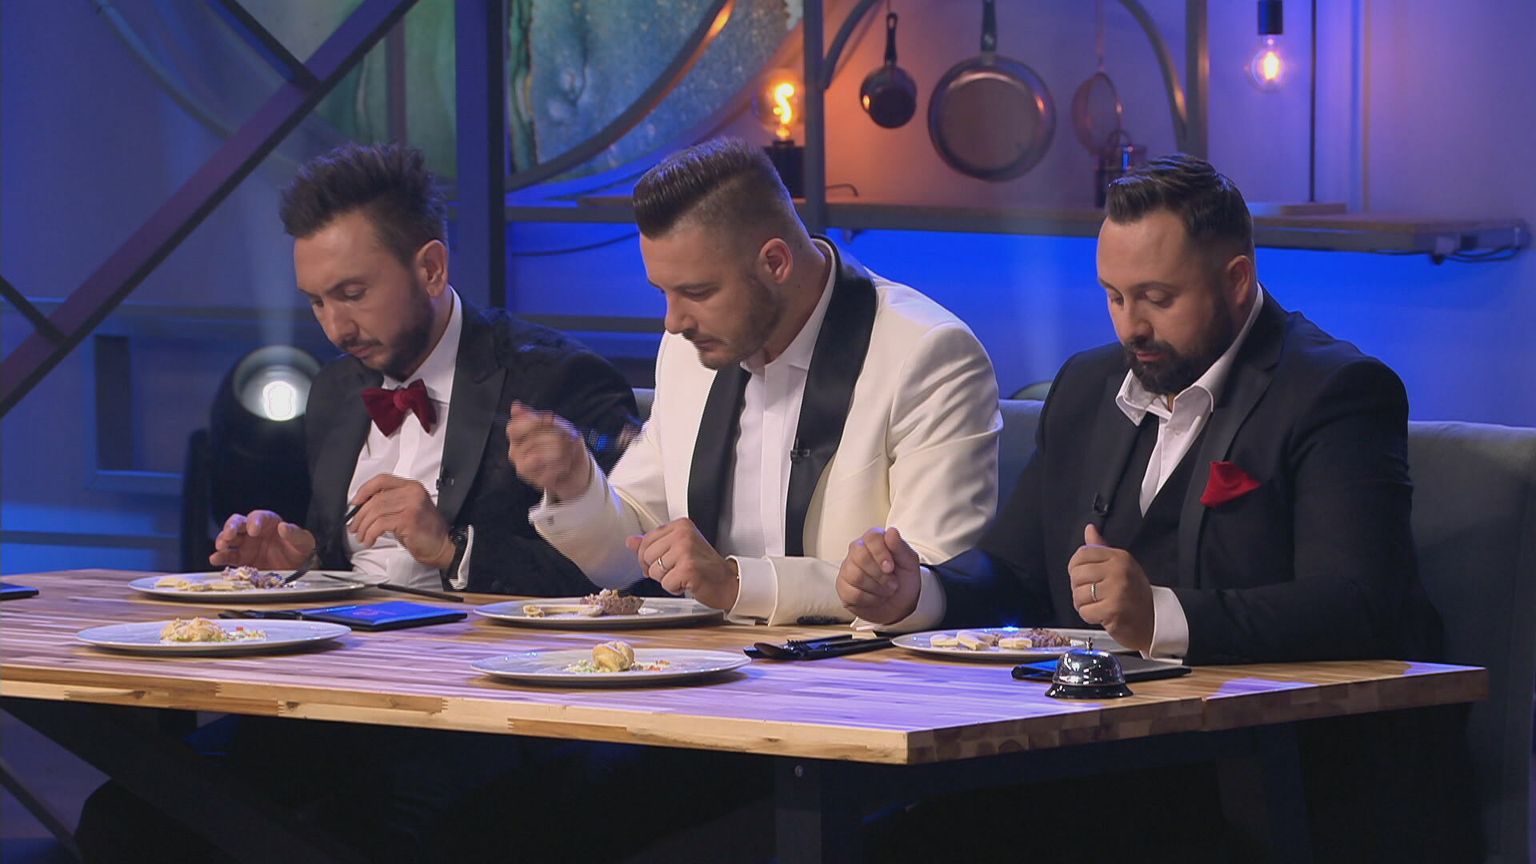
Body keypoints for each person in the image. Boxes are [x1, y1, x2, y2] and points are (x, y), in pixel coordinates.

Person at [841, 154, 1472, 861]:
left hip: (1272, 772)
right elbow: (1016, 571)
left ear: (1237, 279)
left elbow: (1358, 603)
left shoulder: (1338, 392)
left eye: (1157, 298)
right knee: (882, 840)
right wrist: (918, 592)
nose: (1130, 327)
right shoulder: (1085, 387)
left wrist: (1161, 617)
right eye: (1114, 296)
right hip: (1097, 760)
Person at [506, 136, 1001, 624]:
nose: (673, 322)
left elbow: (929, 581)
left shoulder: (928, 355)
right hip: (704, 666)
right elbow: (628, 553)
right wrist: (576, 485)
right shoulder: (686, 352)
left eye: (698, 292)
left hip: (865, 669)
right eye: (664, 293)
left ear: (775, 262)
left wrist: (737, 583)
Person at [209, 142, 636, 595]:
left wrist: (453, 549)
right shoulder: (334, 388)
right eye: (317, 302)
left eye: (353, 295)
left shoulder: (559, 380)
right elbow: (349, 566)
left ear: (431, 269)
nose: (336, 330)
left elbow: (630, 573)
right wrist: (306, 563)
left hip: (471, 640)